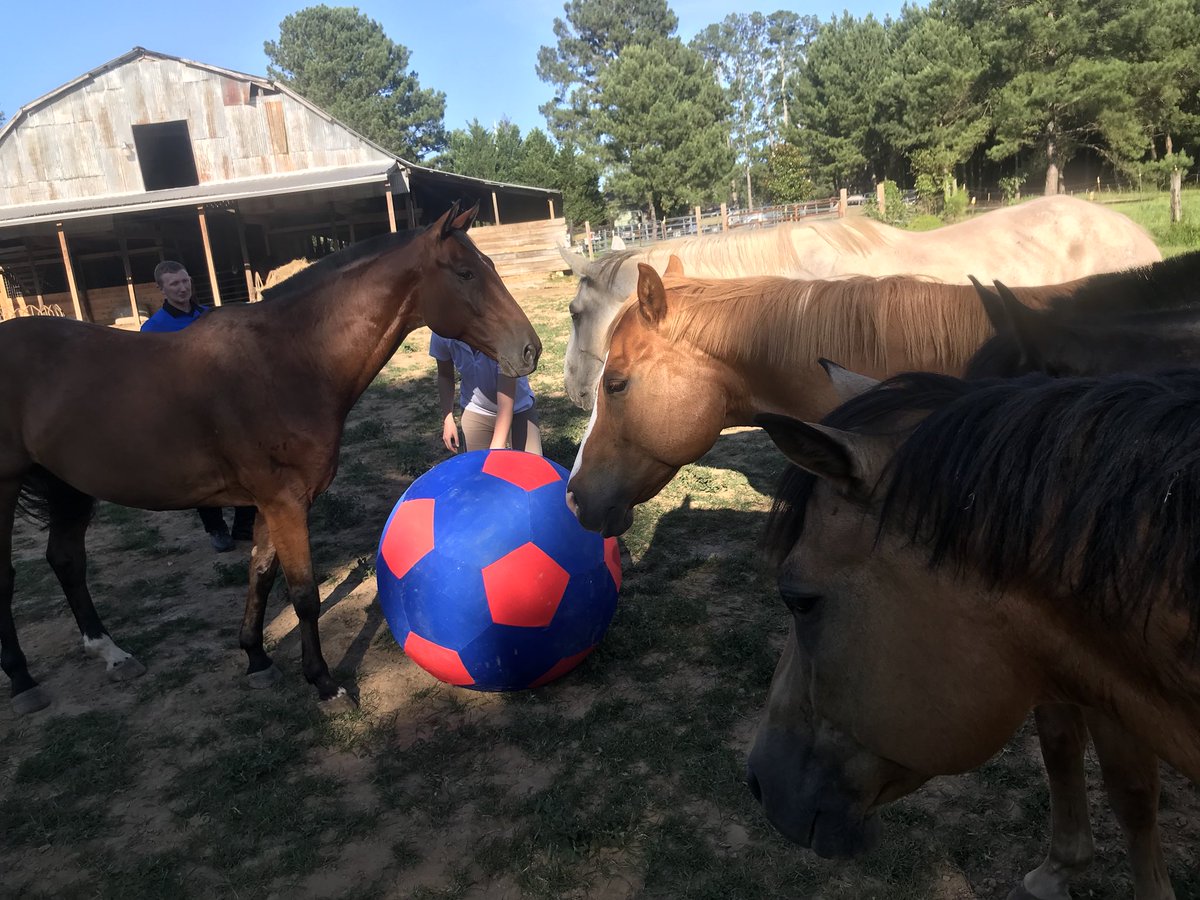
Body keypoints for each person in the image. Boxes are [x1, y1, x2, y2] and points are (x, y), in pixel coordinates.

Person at [141, 260, 256, 552]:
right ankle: (215, 528)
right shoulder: (153, 329)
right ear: (161, 289)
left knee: (245, 463)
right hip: (188, 414)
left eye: (185, 281)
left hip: (227, 407)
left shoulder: (210, 317)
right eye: (174, 284)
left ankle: (244, 524)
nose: (182, 288)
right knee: (205, 472)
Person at [430, 332, 541, 455]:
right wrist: (448, 418)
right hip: (475, 410)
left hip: (518, 408)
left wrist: (497, 446)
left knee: (530, 470)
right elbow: (445, 375)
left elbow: (506, 397)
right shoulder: (441, 331)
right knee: (478, 471)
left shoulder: (502, 332)